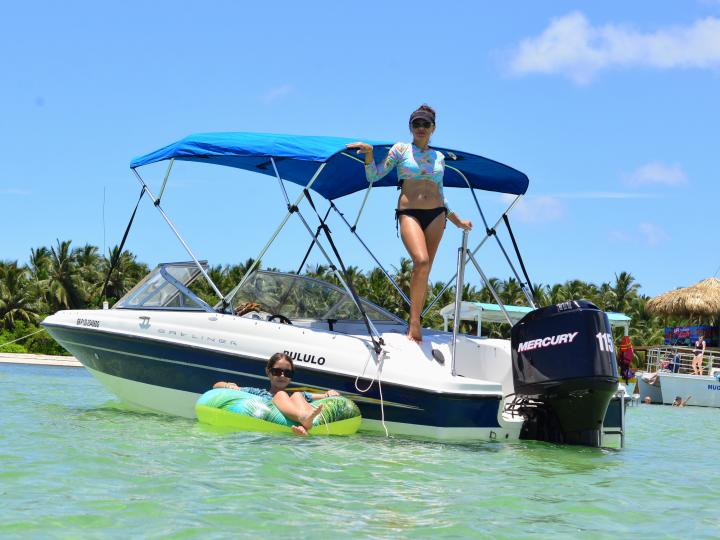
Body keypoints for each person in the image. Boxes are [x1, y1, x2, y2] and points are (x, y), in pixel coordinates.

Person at [346, 104, 472, 342]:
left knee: (425, 270)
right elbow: (373, 175)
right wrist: (370, 154)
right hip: (409, 212)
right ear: (410, 127)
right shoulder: (401, 149)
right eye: (417, 124)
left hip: (437, 214)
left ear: (433, 128)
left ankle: (417, 321)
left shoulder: (439, 157)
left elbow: (441, 193)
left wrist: (457, 220)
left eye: (426, 124)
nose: (421, 128)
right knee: (420, 261)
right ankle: (414, 323)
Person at [214, 352, 339, 436]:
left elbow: (324, 396)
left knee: (297, 395)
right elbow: (216, 386)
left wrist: (329, 394)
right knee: (280, 394)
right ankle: (303, 420)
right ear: (268, 372)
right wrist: (229, 385)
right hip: (275, 430)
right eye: (277, 371)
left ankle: (305, 421)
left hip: (298, 425)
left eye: (287, 373)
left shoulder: (294, 396)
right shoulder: (260, 393)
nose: (282, 376)